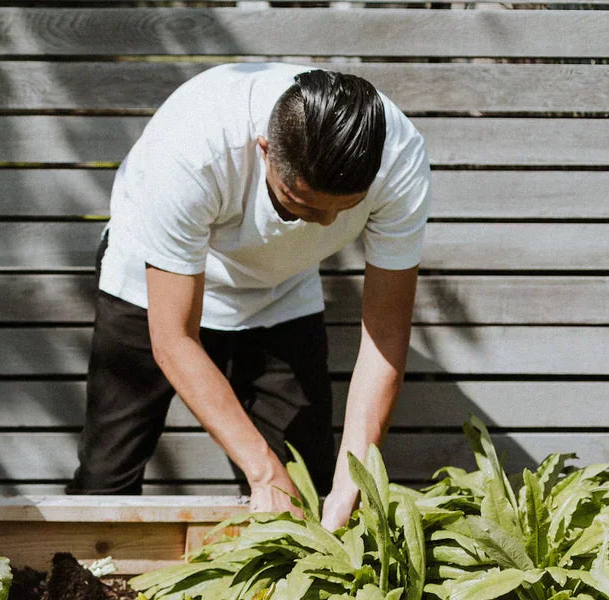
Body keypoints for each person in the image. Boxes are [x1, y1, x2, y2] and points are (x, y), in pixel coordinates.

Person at [69, 63, 430, 531]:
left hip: (280, 290)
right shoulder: (192, 148)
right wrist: (262, 472)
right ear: (265, 150)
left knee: (307, 488)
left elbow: (385, 334)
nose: (324, 225)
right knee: (106, 481)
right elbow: (174, 339)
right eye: (301, 205)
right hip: (150, 285)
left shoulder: (398, 159)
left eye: (344, 210)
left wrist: (352, 480)